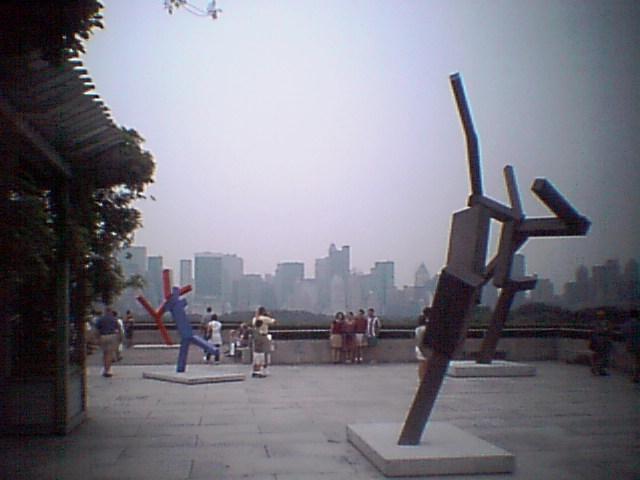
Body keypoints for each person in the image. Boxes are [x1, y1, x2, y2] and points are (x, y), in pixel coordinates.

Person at [95, 308, 121, 377]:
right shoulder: (114, 319)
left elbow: (96, 329)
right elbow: (118, 328)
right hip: (112, 336)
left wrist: (97, 338)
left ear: (105, 311)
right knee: (109, 354)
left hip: (103, 336)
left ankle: (105, 368)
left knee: (105, 353)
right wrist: (120, 337)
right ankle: (108, 370)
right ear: (110, 312)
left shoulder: (100, 319)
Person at [252, 307, 276, 377]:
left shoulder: (254, 319)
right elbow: (274, 322)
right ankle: (262, 370)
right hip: (263, 336)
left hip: (256, 336)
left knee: (256, 352)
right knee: (264, 352)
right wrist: (269, 316)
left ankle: (256, 370)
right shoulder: (265, 318)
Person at [589, 310, 613, 376]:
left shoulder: (597, 323)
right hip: (601, 340)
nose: (600, 317)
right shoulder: (604, 323)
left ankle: (597, 369)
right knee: (601, 355)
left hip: (599, 340)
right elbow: (607, 330)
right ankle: (598, 369)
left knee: (600, 355)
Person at [621, 309, 640, 383]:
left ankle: (633, 376)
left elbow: (623, 334)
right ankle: (636, 376)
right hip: (638, 344)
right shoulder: (638, 324)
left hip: (629, 344)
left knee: (632, 360)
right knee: (637, 361)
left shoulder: (625, 325)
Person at [415, 307, 432, 382]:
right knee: (424, 364)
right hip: (424, 348)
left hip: (420, 347)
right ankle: (423, 380)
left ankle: (421, 379)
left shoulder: (419, 328)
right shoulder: (424, 329)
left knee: (422, 364)